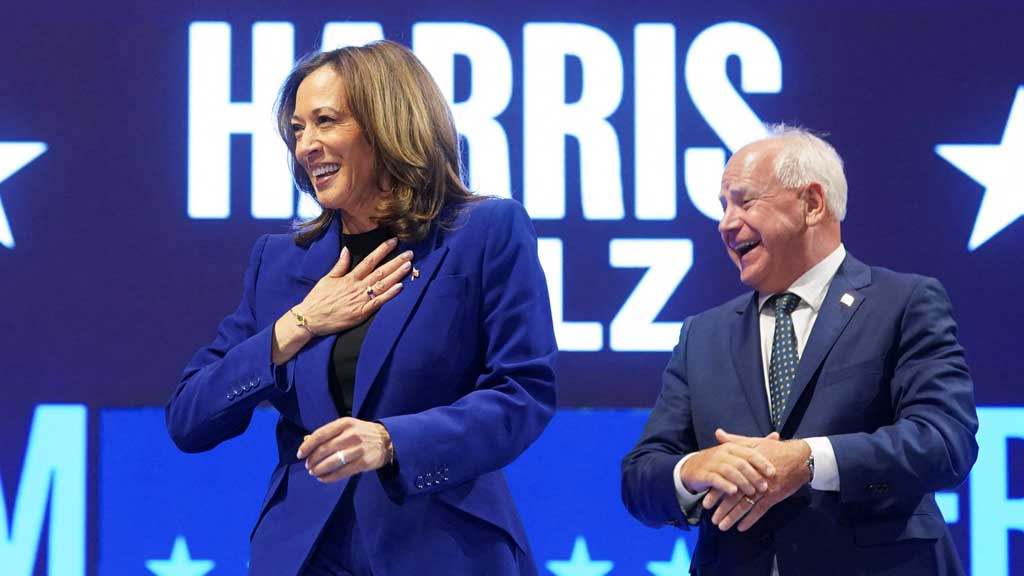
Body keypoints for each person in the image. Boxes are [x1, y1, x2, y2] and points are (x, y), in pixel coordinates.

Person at [166, 40, 557, 576]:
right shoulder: (279, 263)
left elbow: (522, 393)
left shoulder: (484, 233)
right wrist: (297, 326)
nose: (306, 145)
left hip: (443, 548)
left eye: (325, 121)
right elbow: (189, 418)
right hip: (304, 555)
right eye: (297, 129)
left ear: (386, 124)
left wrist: (393, 441)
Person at [621, 126, 978, 575]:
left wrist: (809, 459)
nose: (726, 223)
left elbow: (944, 442)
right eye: (723, 206)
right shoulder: (703, 335)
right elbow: (640, 477)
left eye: (744, 201)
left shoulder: (903, 303)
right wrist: (694, 468)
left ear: (812, 203)